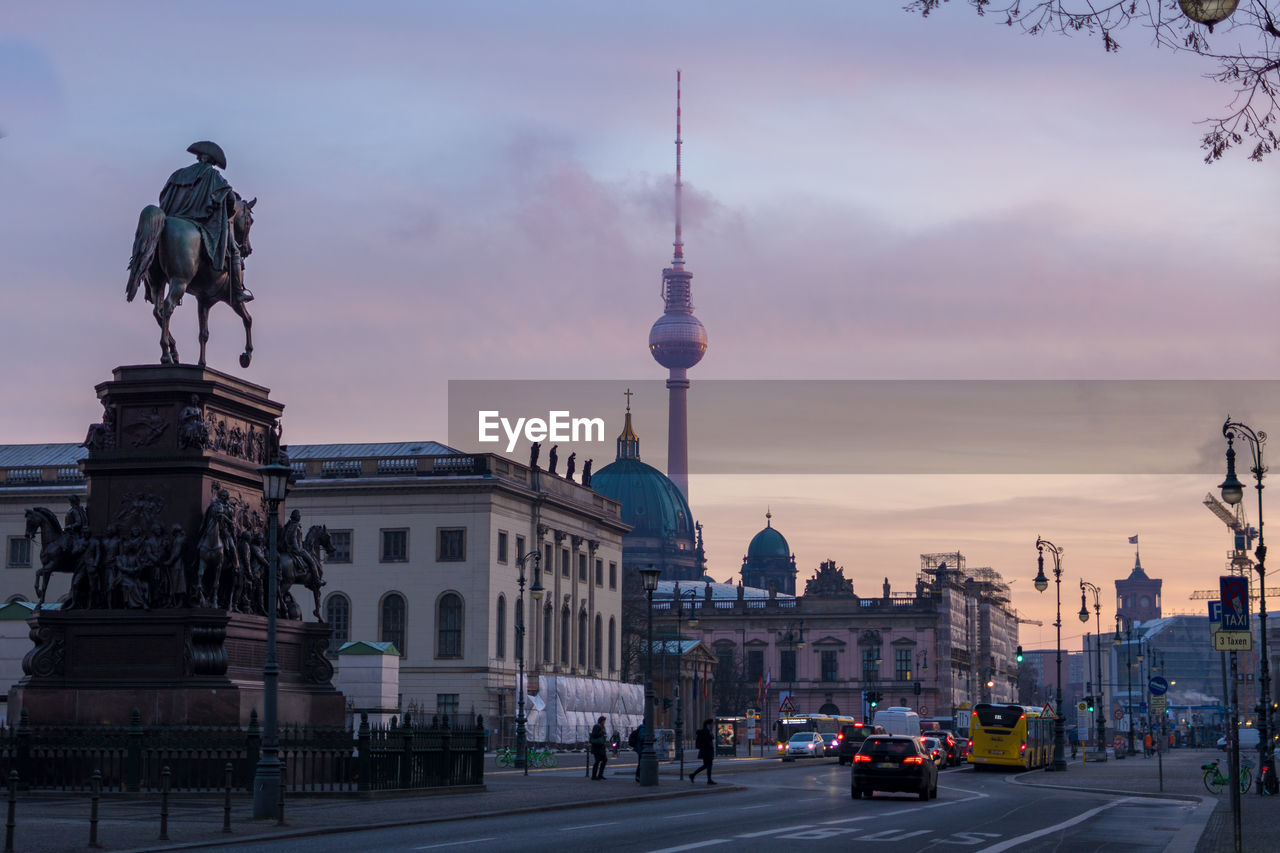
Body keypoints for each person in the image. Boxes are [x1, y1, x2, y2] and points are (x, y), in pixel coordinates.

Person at [159, 141, 252, 304]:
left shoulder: (179, 174)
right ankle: (238, 291)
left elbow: (164, 195)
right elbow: (230, 199)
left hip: (172, 217)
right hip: (201, 222)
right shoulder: (213, 176)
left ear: (199, 157)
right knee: (234, 252)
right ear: (212, 161)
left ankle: (150, 284)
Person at [689, 719, 717, 785]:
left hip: (707, 751)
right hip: (706, 751)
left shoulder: (708, 731)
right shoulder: (705, 732)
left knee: (706, 765)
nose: (713, 725)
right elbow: (707, 740)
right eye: (712, 724)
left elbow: (711, 738)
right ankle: (708, 780)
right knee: (708, 765)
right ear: (708, 724)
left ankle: (693, 775)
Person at [590, 715, 609, 780]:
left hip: (601, 746)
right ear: (601, 721)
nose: (604, 722)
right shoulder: (597, 726)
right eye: (604, 721)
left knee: (604, 760)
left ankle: (600, 775)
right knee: (597, 761)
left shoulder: (602, 727)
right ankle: (594, 776)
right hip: (597, 747)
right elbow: (594, 735)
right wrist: (601, 733)